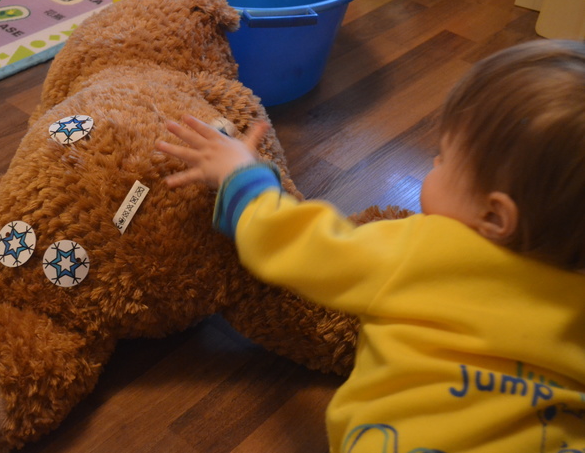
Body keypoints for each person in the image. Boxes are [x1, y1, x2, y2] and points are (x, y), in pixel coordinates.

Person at [156, 40, 585, 452]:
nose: (434, 163)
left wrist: (242, 176)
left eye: (444, 159)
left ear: (494, 217)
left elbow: (300, 245)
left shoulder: (425, 250)